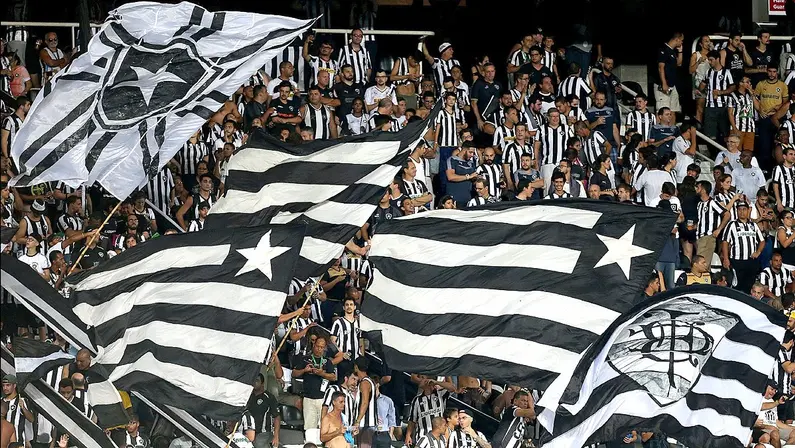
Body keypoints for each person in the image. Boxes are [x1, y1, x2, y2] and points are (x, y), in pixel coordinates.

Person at [293, 335, 337, 443]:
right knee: (310, 428)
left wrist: (322, 373)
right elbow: (294, 373)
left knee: (324, 427)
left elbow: (334, 377)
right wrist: (304, 370)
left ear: (325, 348)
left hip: (323, 400)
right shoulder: (305, 359)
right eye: (317, 346)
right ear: (314, 345)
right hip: (308, 399)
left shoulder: (327, 361)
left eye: (322, 347)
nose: (319, 349)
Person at [722, 200, 765, 293]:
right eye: (739, 209)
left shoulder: (753, 225)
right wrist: (726, 258)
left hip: (751, 261)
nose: (742, 212)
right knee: (736, 286)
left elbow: (762, 241)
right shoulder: (731, 225)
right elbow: (725, 242)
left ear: (748, 210)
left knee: (749, 286)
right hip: (737, 261)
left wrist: (758, 252)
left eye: (744, 209)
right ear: (737, 211)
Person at [656, 32, 684, 114]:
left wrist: (680, 52)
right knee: (663, 111)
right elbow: (661, 67)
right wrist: (664, 83)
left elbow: (678, 63)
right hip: (663, 85)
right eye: (681, 40)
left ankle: (672, 127)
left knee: (674, 110)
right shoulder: (663, 49)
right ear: (677, 39)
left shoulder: (672, 51)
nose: (682, 42)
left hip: (672, 85)